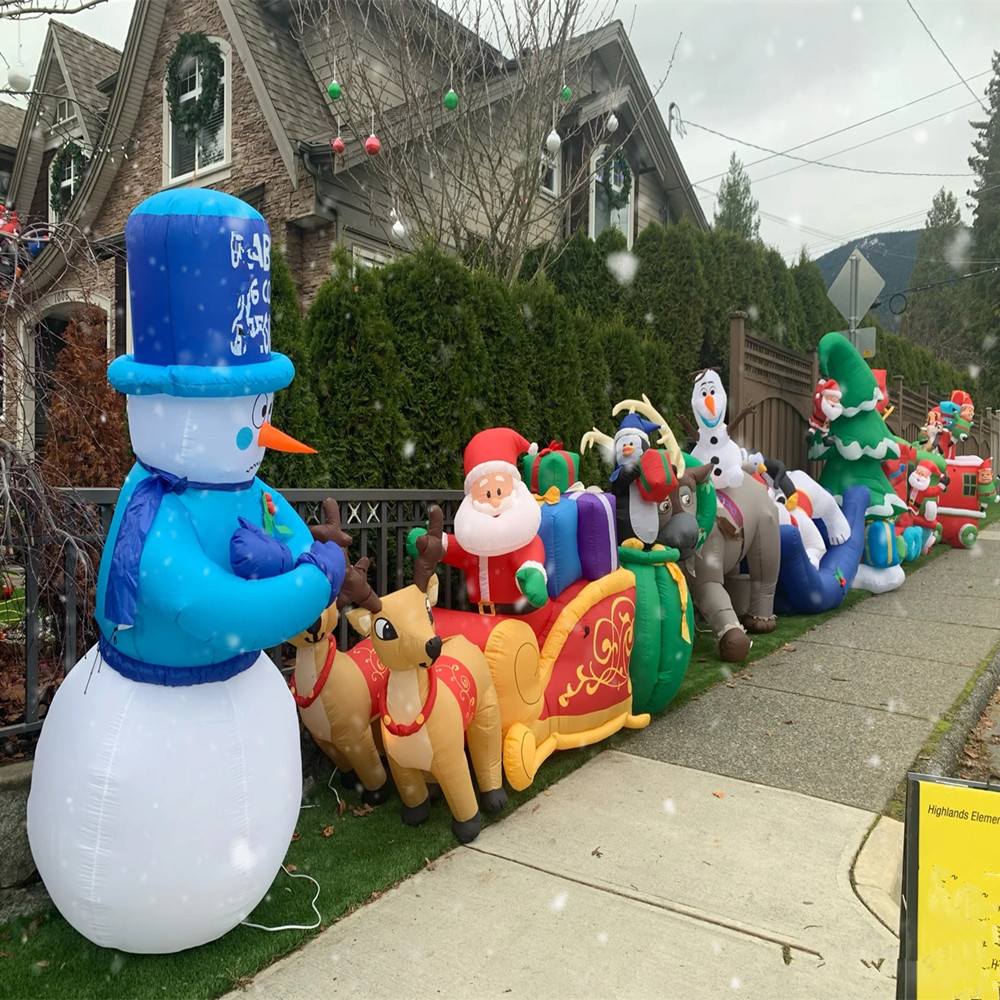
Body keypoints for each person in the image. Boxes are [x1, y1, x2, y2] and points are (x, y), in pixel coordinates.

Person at [410, 427, 547, 614]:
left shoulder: (525, 542)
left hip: (517, 616)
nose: (495, 500)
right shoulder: (472, 542)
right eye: (487, 494)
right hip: (478, 616)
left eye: (499, 492)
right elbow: (454, 547)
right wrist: (431, 542)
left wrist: (532, 577)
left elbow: (530, 563)